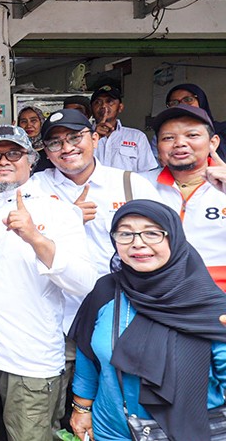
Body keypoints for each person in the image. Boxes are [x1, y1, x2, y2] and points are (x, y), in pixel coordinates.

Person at [0, 125, 96, 441]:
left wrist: (35, 238)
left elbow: (84, 283)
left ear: (31, 160)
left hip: (29, 357)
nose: (3, 161)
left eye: (13, 153)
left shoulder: (58, 210)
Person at [30, 109, 160, 430]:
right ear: (46, 152)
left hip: (121, 321)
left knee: (121, 412)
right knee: (50, 416)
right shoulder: (33, 188)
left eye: (75, 137)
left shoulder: (130, 184)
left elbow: (164, 246)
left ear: (95, 138)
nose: (67, 148)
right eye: (55, 142)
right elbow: (20, 244)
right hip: (57, 324)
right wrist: (67, 218)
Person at [69, 199, 226, 441]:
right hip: (113, 430)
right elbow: (87, 355)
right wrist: (82, 408)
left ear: (173, 237)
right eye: (125, 234)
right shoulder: (106, 291)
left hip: (193, 431)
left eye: (152, 233)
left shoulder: (208, 304)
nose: (138, 243)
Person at [139, 104, 226, 289]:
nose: (179, 143)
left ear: (213, 142)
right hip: (156, 291)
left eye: (192, 135)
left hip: (219, 293)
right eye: (168, 138)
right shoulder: (137, 184)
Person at [90, 83, 158, 172]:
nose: (103, 106)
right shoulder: (82, 136)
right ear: (91, 108)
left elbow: (147, 172)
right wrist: (92, 137)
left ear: (120, 107)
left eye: (110, 101)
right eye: (98, 102)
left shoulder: (137, 137)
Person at [165, 83, 226, 160]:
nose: (182, 105)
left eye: (188, 100)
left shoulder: (223, 130)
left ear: (201, 101)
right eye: (174, 103)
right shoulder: (164, 137)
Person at [17, 105, 52, 173]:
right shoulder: (16, 150)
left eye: (33, 120)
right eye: (24, 121)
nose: (28, 125)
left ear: (41, 122)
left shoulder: (51, 149)